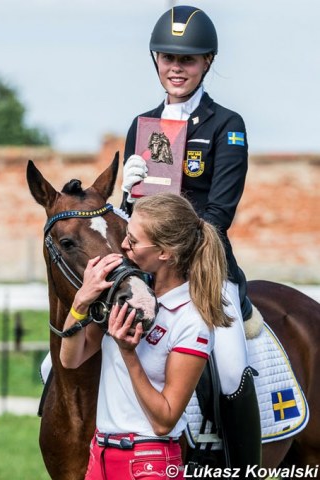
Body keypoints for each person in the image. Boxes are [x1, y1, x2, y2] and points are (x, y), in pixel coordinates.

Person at [120, 5, 261, 474]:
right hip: (145, 268)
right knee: (67, 349)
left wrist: (169, 242)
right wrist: (126, 197)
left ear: (207, 62)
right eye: (168, 58)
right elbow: (132, 221)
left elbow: (218, 215)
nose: (176, 68)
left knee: (229, 364)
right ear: (155, 60)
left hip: (205, 268)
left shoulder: (227, 125)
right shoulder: (142, 126)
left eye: (189, 59)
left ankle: (242, 465)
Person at [60, 193, 231, 480]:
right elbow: (70, 358)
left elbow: (164, 420)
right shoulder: (125, 292)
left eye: (134, 241)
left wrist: (129, 354)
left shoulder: (191, 321)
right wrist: (81, 302)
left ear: (164, 252)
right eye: (127, 235)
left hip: (148, 462)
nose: (123, 245)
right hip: (99, 456)